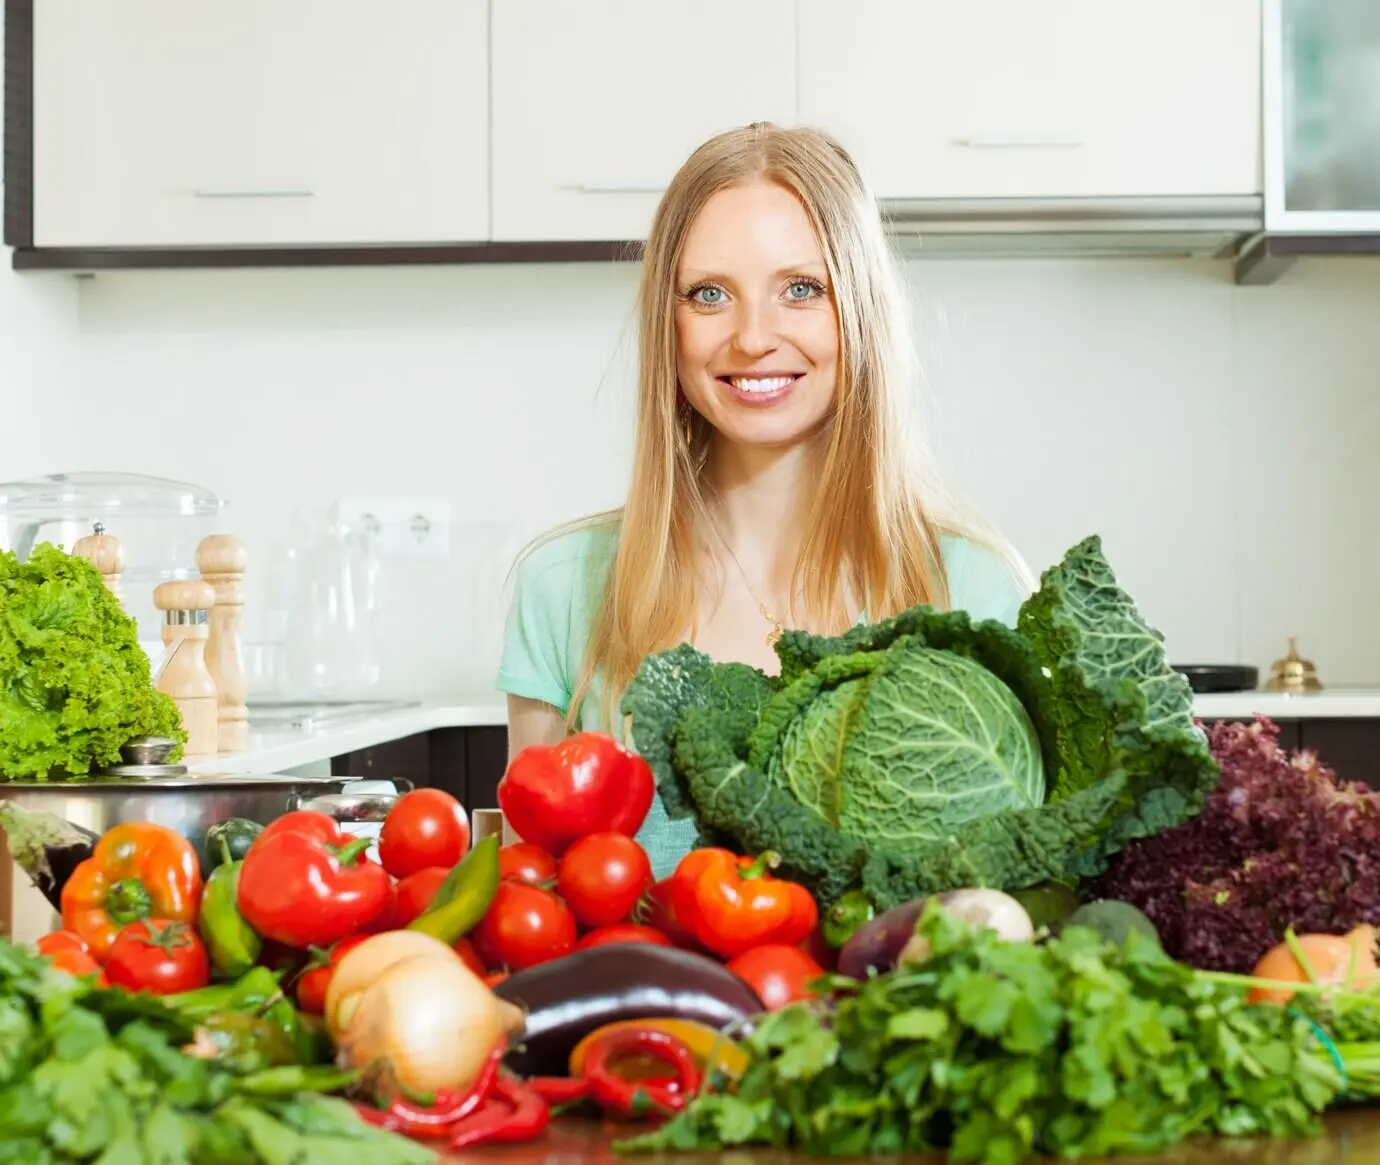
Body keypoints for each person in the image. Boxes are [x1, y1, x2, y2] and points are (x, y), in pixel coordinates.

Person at [495, 122, 1032, 878]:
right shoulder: (562, 587)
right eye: (709, 294)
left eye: (801, 289)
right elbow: (533, 906)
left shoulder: (973, 590)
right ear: (667, 323)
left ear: (860, 312)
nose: (752, 337)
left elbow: (1009, 903)